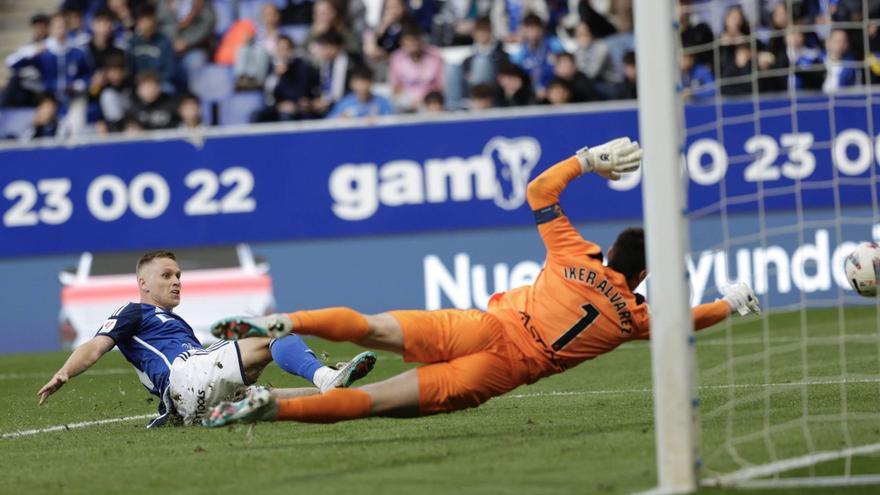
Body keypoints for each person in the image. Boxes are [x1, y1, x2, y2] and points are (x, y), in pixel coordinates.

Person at [203, 137, 762, 427]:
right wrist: (727, 303)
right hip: (501, 370)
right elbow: (682, 321)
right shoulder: (632, 317)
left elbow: (539, 192)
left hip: (481, 326)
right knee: (370, 401)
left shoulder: (574, 252)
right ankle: (275, 407)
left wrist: (588, 160)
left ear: (611, 250)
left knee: (370, 326)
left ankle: (288, 321)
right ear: (641, 275)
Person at [38, 250, 376, 427]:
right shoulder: (134, 311)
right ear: (143, 283)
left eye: (179, 276)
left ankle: (335, 391)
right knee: (275, 330)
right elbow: (97, 344)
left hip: (192, 406)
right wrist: (65, 372)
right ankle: (326, 378)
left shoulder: (174, 324)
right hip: (187, 378)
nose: (176, 282)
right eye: (166, 275)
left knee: (266, 396)